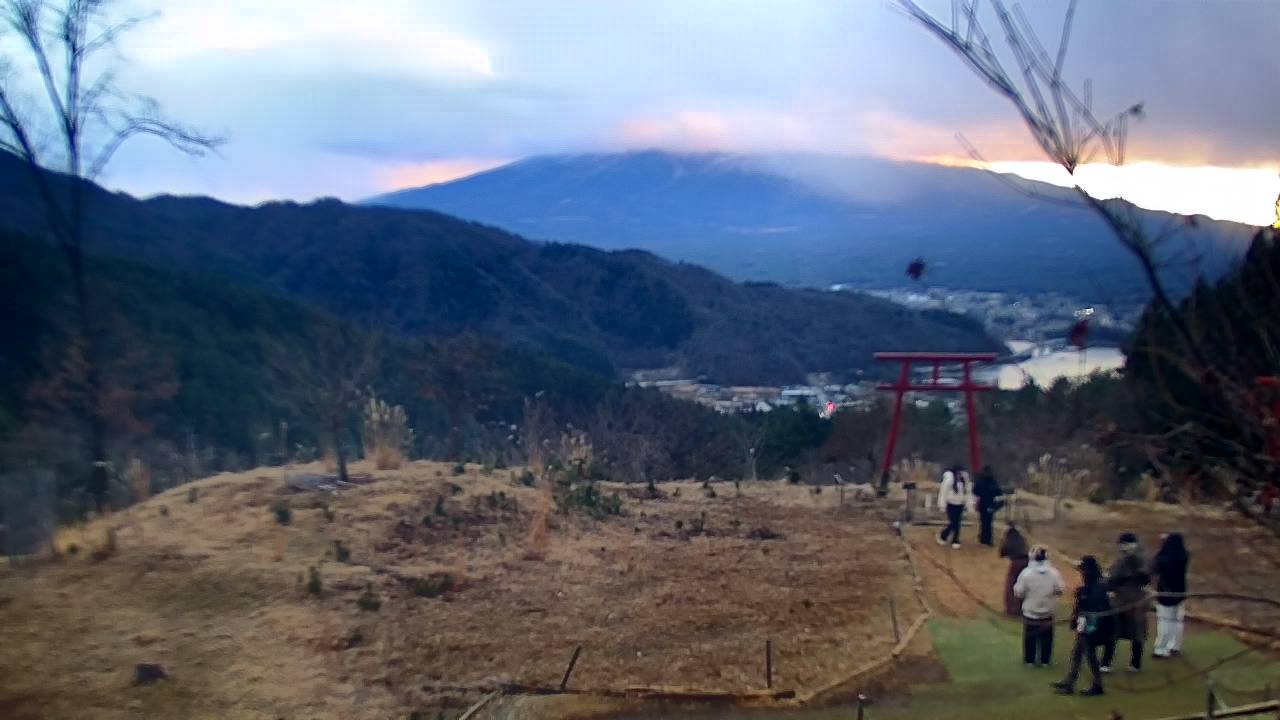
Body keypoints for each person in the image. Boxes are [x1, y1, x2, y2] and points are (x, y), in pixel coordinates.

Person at [1052, 556, 1112, 696]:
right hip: (1088, 623)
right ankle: (1070, 681)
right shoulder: (1094, 584)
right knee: (1077, 653)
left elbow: (1093, 605)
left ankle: (1097, 685)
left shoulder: (1096, 586)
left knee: (1089, 655)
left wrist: (1082, 596)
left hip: (1093, 625)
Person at [1102, 531, 1150, 673]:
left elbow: (1114, 577)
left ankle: (1106, 663)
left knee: (1113, 631)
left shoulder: (1124, 560)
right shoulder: (1144, 558)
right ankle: (1135, 664)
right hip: (1139, 599)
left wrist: (1107, 583)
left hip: (1122, 600)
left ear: (1125, 544)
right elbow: (1147, 578)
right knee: (1137, 633)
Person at [1014, 546, 1065, 667]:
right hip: (1047, 612)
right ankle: (1045, 660)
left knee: (1030, 638)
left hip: (1030, 612)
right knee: (1047, 638)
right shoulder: (1054, 573)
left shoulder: (1026, 574)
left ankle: (1029, 660)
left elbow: (1018, 592)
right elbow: (1061, 589)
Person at [1151, 532, 1190, 658]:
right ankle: (1174, 646)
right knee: (1177, 620)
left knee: (1164, 621)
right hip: (1180, 591)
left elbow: (1154, 565)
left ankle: (1160, 649)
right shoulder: (1184, 555)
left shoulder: (1165, 559)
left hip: (1166, 593)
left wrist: (1162, 546)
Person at [999, 525, 1030, 617]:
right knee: (1023, 585)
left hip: (1017, 562)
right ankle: (1021, 607)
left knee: (1011, 585)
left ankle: (1011, 609)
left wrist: (1002, 540)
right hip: (1027, 562)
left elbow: (1002, 552)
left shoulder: (1009, 539)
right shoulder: (1021, 539)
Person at [936, 465, 970, 549]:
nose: (959, 475)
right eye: (957, 474)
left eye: (960, 474)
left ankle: (955, 540)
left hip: (960, 504)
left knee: (957, 523)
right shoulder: (949, 480)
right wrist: (942, 505)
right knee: (953, 522)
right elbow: (943, 492)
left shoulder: (964, 482)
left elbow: (967, 493)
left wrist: (968, 504)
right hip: (951, 504)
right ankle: (944, 535)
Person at [972, 465, 1004, 546]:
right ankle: (987, 539)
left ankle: (983, 538)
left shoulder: (980, 481)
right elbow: (999, 492)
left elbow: (975, 491)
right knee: (988, 522)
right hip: (990, 504)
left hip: (983, 503)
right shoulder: (993, 481)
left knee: (984, 522)